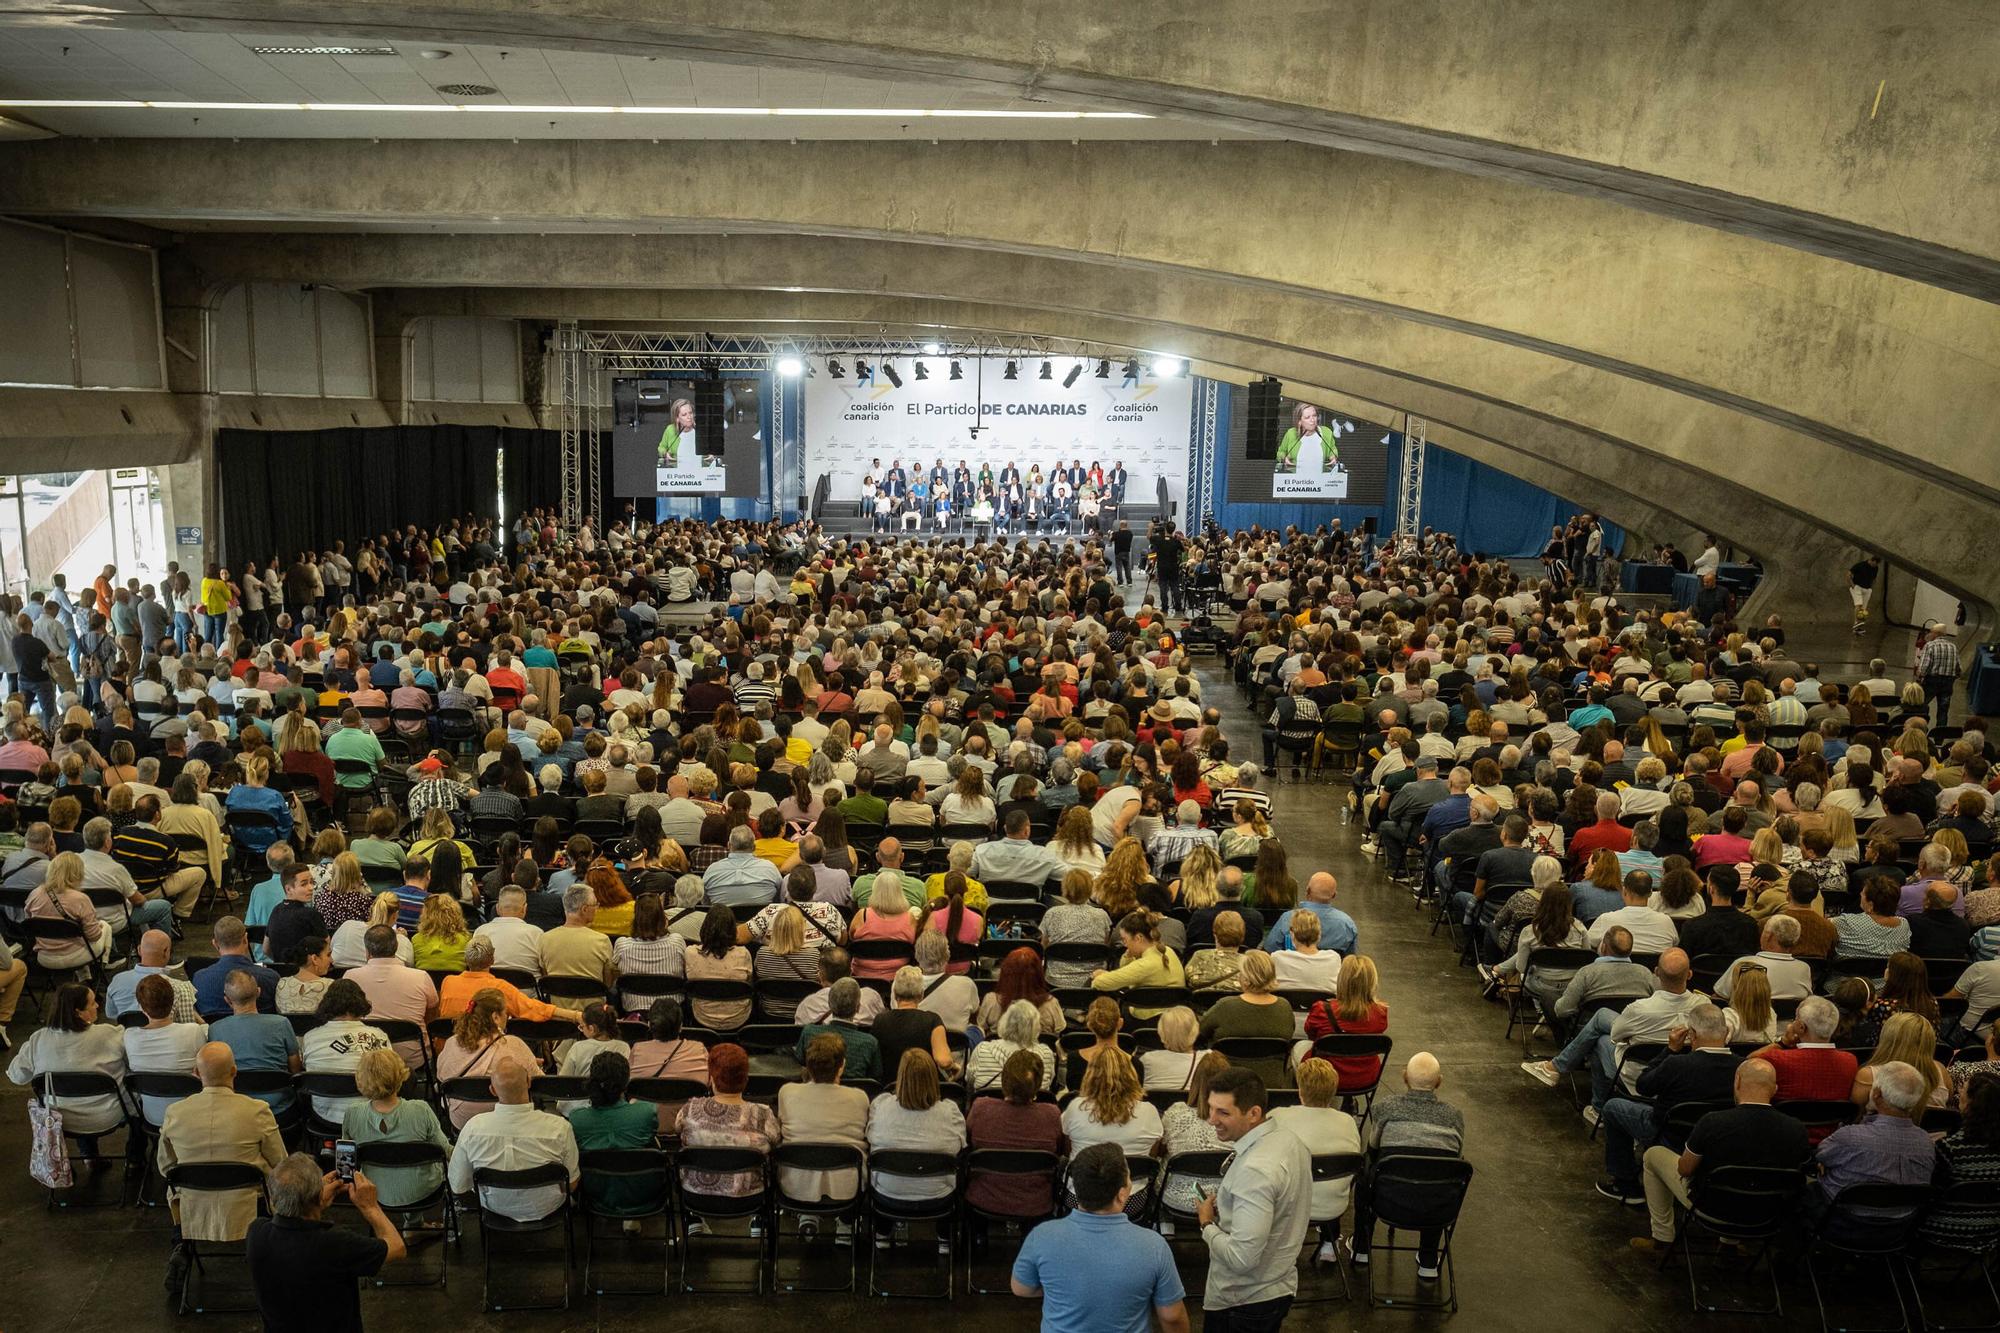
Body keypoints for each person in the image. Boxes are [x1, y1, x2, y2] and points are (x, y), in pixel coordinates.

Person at [1630, 1056, 1811, 1251]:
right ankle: (1729, 1247)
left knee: (1652, 1155)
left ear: (1737, 1081)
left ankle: (1662, 1239)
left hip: (1711, 1209)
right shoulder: (1796, 1129)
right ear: (1774, 1089)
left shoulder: (1713, 1122)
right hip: (1766, 1215)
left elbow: (1684, 1169)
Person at [1011, 1142, 1190, 1333]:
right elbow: (1172, 1317)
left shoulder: (1042, 1236)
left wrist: (1066, 1290)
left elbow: (1021, 1288)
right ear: (1122, 1194)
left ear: (1077, 1189)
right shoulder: (1154, 1245)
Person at [1196, 1064, 1315, 1328]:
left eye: (1223, 1112)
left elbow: (1241, 1259)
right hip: (1277, 1285)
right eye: (1211, 1108)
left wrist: (1206, 1225)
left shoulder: (1254, 1171)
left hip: (1242, 1302)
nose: (1211, 1119)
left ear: (1253, 1113)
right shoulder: (1290, 1141)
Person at [246, 1151, 405, 1328]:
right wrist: (371, 1207)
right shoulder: (335, 1243)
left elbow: (285, 1215)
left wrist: (313, 1200)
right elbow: (397, 1247)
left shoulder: (256, 1233)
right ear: (316, 1196)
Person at [158, 1042, 288, 1242]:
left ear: (196, 1073)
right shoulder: (257, 1110)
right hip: (248, 1204)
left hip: (193, 1203)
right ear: (234, 1071)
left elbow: (166, 1166)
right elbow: (280, 1162)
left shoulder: (174, 1112)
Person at [1350, 1053, 1465, 1277]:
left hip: (1388, 1201)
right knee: (1438, 1175)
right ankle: (1429, 1259)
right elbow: (1456, 1159)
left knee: (1365, 1168)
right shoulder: (1454, 1117)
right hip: (1438, 1207)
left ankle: (1362, 1247)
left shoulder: (1385, 1109)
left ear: (1404, 1077)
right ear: (1439, 1082)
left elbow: (1373, 1149)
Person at [448, 1056, 580, 1222]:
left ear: (493, 1090)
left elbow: (458, 1185)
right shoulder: (560, 1127)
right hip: (548, 1205)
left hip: (494, 1206)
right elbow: (572, 1183)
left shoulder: (473, 1128)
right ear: (529, 1082)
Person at [1269, 1057, 1364, 1263]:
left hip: (1288, 1206)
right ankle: (1329, 1243)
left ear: (1300, 1090)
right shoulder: (1347, 1122)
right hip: (1333, 1205)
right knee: (1329, 1180)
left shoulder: (1278, 1116)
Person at [341, 1047, 453, 1210]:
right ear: (401, 1075)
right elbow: (445, 1150)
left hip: (373, 1191)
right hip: (422, 1189)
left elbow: (346, 1160)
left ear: (361, 1080)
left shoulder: (352, 1114)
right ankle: (414, 1225)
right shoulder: (421, 1109)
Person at [1061, 1046, 1163, 1216]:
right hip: (1131, 1200)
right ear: (1131, 1074)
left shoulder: (1075, 1107)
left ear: (1090, 1075)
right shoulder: (1149, 1111)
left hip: (1078, 1197)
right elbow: (1151, 1156)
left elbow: (1067, 1150)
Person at [867, 1049, 967, 1215]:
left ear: (901, 1077)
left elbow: (870, 1139)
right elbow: (959, 1147)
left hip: (887, 1193)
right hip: (938, 1196)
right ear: (934, 1078)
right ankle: (943, 1237)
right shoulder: (951, 1113)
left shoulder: (880, 1107)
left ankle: (882, 1235)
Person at [776, 1032, 871, 1207]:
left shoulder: (787, 1092)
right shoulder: (860, 1097)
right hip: (847, 1186)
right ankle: (845, 1222)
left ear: (808, 1066)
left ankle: (807, 1215)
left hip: (796, 1184)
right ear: (842, 1066)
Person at [676, 1043, 781, 1200]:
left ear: (711, 1079)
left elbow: (678, 1131)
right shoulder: (763, 1114)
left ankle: (694, 1221)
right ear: (746, 1079)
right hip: (750, 1198)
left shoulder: (689, 1109)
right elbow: (776, 1140)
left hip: (695, 1195)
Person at [567, 1051, 666, 1216]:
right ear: (626, 1083)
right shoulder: (646, 1112)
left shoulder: (577, 1119)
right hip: (644, 1193)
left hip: (597, 1195)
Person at [1197, 950, 1296, 1087]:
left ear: (1245, 978)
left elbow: (1199, 1032)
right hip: (1272, 1085)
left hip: (1227, 1084)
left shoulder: (1226, 1006)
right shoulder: (1284, 1007)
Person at [872, 964, 958, 1079]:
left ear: (895, 994)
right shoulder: (932, 1020)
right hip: (924, 1087)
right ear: (921, 995)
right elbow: (944, 1061)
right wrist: (954, 1066)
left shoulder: (879, 1020)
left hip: (890, 1087)